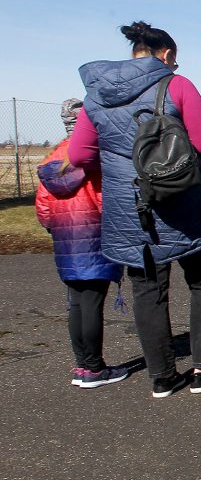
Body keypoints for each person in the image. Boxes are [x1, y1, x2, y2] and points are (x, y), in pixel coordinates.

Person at [69, 21, 201, 398]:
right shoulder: (177, 84)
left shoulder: (95, 95)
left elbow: (79, 154)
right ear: (167, 55)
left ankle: (162, 377)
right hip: (186, 202)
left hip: (131, 208)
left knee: (148, 290)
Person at [36, 98, 126, 388]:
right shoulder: (94, 157)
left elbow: (44, 210)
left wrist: (56, 226)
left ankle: (82, 365)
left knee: (76, 302)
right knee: (91, 302)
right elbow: (105, 199)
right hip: (95, 235)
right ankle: (94, 368)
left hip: (65, 238)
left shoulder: (52, 159)